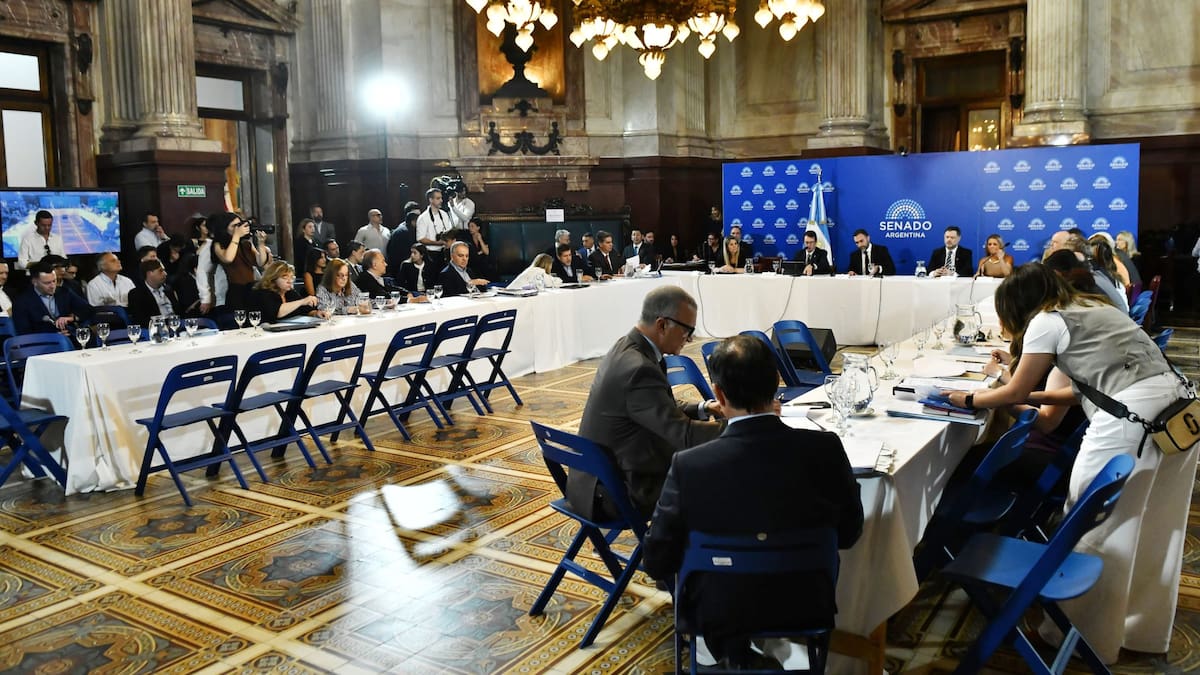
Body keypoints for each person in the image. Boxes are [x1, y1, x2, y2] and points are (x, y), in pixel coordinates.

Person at [940, 263, 1197, 665]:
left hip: (1131, 420)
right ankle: (1141, 632)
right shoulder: (1093, 307)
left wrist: (968, 399)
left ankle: (1076, 637)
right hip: (1179, 407)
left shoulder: (1047, 319)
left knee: (1097, 526)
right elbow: (1082, 391)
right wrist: (1037, 398)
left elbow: (1016, 390)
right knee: (1159, 528)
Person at [643, 335, 863, 666]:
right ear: (776, 384)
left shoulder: (689, 466)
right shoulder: (826, 449)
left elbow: (657, 560)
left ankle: (733, 655)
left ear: (718, 394)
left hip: (716, 607)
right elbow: (849, 534)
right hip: (805, 600)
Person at [568, 285, 724, 520]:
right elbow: (684, 435)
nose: (690, 338)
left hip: (592, 482)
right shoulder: (639, 368)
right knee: (717, 473)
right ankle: (694, 553)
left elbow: (655, 407)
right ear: (662, 324)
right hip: (616, 492)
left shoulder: (628, 347)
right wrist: (746, 422)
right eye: (687, 330)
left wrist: (704, 408)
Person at [210, 211, 271, 311]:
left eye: (239, 225)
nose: (238, 228)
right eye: (234, 226)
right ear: (224, 228)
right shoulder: (218, 244)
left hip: (251, 287)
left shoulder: (246, 243)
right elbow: (228, 258)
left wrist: (261, 244)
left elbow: (260, 262)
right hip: (235, 289)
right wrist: (236, 236)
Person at [13, 261, 93, 336]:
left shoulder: (64, 292)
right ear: (34, 282)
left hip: (70, 338)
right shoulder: (22, 302)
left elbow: (88, 310)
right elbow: (24, 333)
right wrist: (54, 336)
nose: (52, 286)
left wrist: (72, 318)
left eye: (54, 281)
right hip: (42, 345)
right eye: (47, 283)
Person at [251, 261, 325, 322]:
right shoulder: (263, 292)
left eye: (292, 278)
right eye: (285, 277)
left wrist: (316, 313)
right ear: (273, 278)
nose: (290, 281)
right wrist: (302, 301)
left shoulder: (290, 293)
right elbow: (277, 312)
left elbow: (305, 309)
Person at [127, 259, 181, 327]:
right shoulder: (136, 294)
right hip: (156, 329)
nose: (165, 274)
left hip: (176, 325)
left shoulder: (168, 289)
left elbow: (179, 312)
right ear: (149, 273)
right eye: (161, 271)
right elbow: (140, 320)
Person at [416, 187, 454, 268]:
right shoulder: (423, 217)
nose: (441, 200)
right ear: (431, 200)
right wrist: (438, 243)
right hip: (431, 254)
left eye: (441, 198)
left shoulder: (444, 214)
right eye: (438, 198)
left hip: (444, 253)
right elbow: (420, 239)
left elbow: (448, 232)